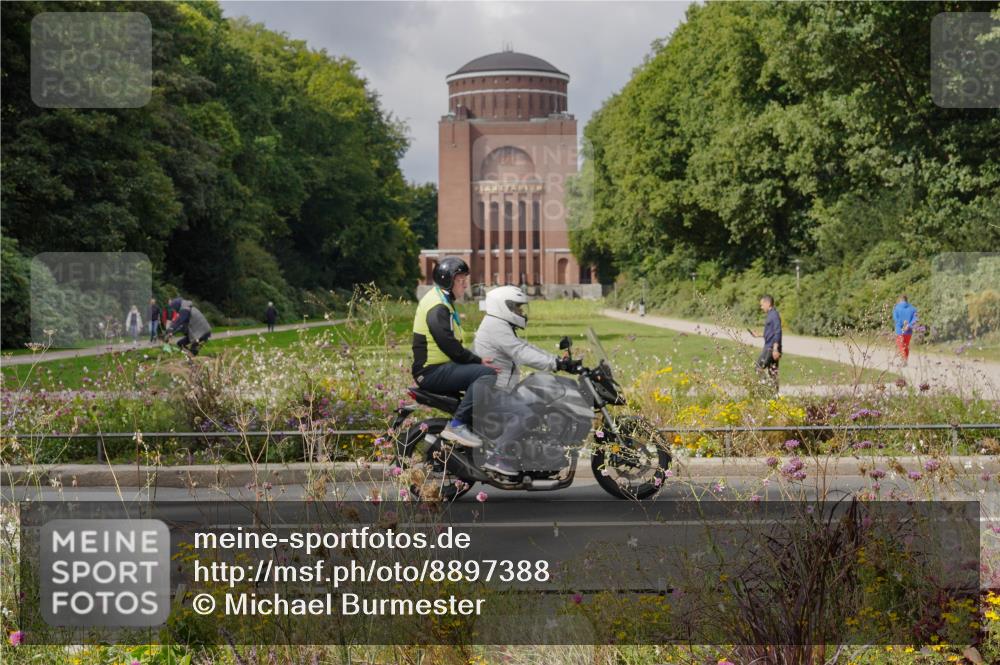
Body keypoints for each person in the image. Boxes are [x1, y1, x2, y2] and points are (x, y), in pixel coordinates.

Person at [473, 285, 581, 475]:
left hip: (498, 387)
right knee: (527, 414)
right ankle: (499, 457)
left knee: (537, 402)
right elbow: (520, 352)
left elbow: (523, 346)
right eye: (517, 307)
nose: (521, 311)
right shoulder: (495, 326)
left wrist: (556, 360)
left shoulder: (499, 324)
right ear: (503, 306)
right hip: (494, 391)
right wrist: (556, 365)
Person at [412, 257, 498, 448]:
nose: (465, 285)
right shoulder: (437, 307)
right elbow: (449, 346)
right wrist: (478, 361)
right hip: (430, 371)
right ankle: (457, 426)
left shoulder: (442, 300)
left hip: (438, 368)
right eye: (461, 280)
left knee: (480, 383)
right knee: (486, 375)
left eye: (465, 279)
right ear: (448, 282)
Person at [752, 294, 782, 392]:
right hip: (771, 347)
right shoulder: (771, 315)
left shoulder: (774, 315)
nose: (761, 307)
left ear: (768, 303)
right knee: (773, 372)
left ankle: (768, 388)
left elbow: (777, 332)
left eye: (762, 305)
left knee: (758, 368)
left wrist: (775, 349)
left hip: (771, 348)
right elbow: (770, 333)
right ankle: (775, 395)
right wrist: (759, 335)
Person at [892, 294, 918, 366]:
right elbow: (915, 319)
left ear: (900, 300)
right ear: (907, 300)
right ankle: (905, 360)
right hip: (908, 331)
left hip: (899, 330)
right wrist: (908, 325)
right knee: (906, 345)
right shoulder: (913, 309)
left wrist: (902, 325)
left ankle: (903, 361)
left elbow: (895, 318)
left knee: (900, 345)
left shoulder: (896, 308)